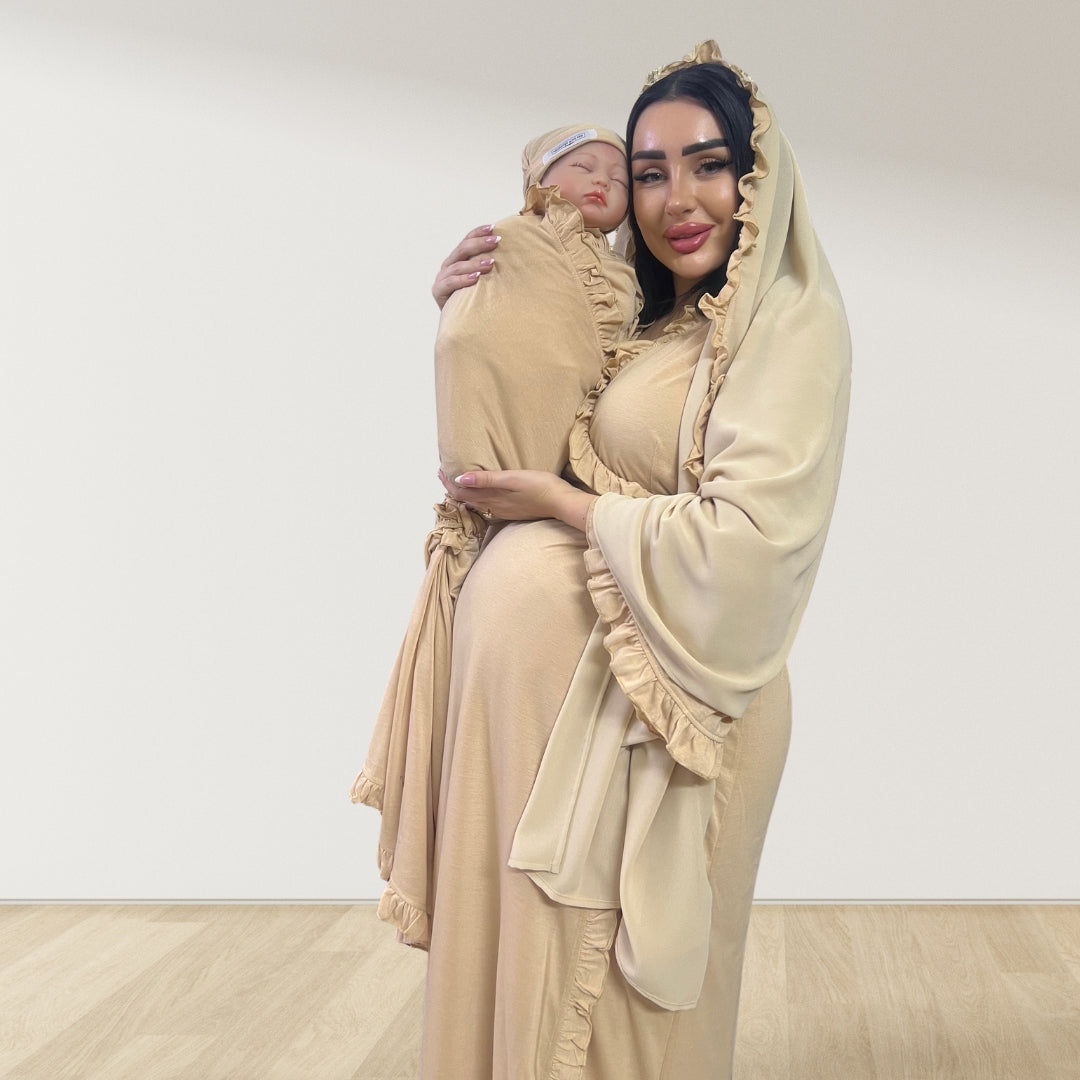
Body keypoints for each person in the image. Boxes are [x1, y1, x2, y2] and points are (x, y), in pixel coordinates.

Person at [408, 40, 848, 1079]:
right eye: (649, 173)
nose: (675, 199)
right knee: (520, 993)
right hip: (536, 720)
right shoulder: (648, 319)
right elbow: (514, 437)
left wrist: (564, 506)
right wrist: (470, 315)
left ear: (758, 179)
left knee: (623, 1027)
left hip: (665, 726)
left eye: (708, 165)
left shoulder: (788, 327)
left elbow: (749, 546)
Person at [351, 126, 639, 949]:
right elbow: (486, 345)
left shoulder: (635, 281)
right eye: (582, 165)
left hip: (606, 526)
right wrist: (466, 306)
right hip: (531, 531)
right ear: (539, 178)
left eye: (621, 174)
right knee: (512, 793)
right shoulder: (511, 246)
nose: (604, 180)